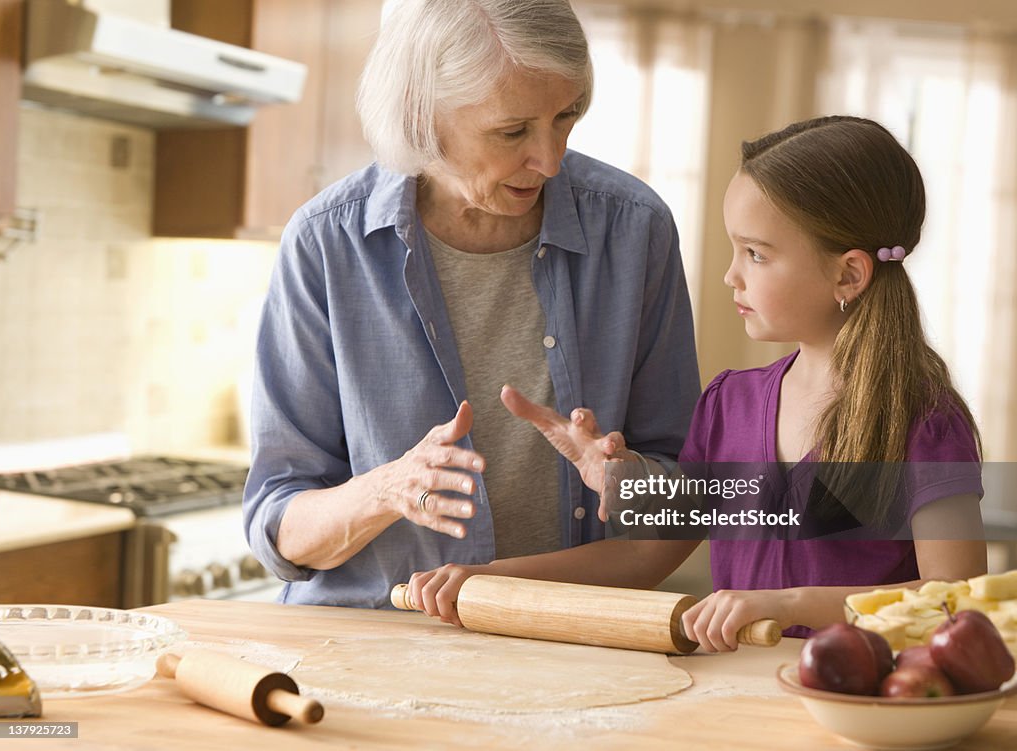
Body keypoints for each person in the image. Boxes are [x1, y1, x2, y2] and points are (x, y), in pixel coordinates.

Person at [410, 115, 987, 650]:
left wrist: (789, 605)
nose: (730, 274)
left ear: (849, 272)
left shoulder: (929, 421)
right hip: (732, 706)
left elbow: (954, 602)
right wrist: (487, 579)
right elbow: (642, 558)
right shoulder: (727, 405)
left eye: (756, 255)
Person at [242, 0, 700, 609]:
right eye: (513, 131)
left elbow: (689, 502)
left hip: (562, 647)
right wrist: (387, 489)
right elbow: (279, 529)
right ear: (422, 117)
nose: (551, 158)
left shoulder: (634, 228)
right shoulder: (327, 241)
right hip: (364, 647)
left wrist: (627, 482)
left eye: (567, 116)